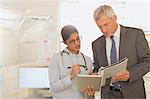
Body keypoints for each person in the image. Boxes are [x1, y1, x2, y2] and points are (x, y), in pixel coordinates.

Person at [92, 5, 150, 99]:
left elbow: (147, 61)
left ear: (115, 18)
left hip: (133, 93)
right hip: (108, 95)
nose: (103, 30)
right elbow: (97, 67)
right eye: (100, 26)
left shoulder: (135, 35)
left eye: (106, 24)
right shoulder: (96, 44)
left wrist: (130, 74)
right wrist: (95, 74)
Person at [48, 25, 95, 99]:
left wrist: (90, 94)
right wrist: (71, 76)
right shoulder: (56, 59)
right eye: (72, 41)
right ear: (65, 42)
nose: (77, 43)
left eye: (78, 39)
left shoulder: (87, 60)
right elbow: (53, 87)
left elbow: (89, 94)